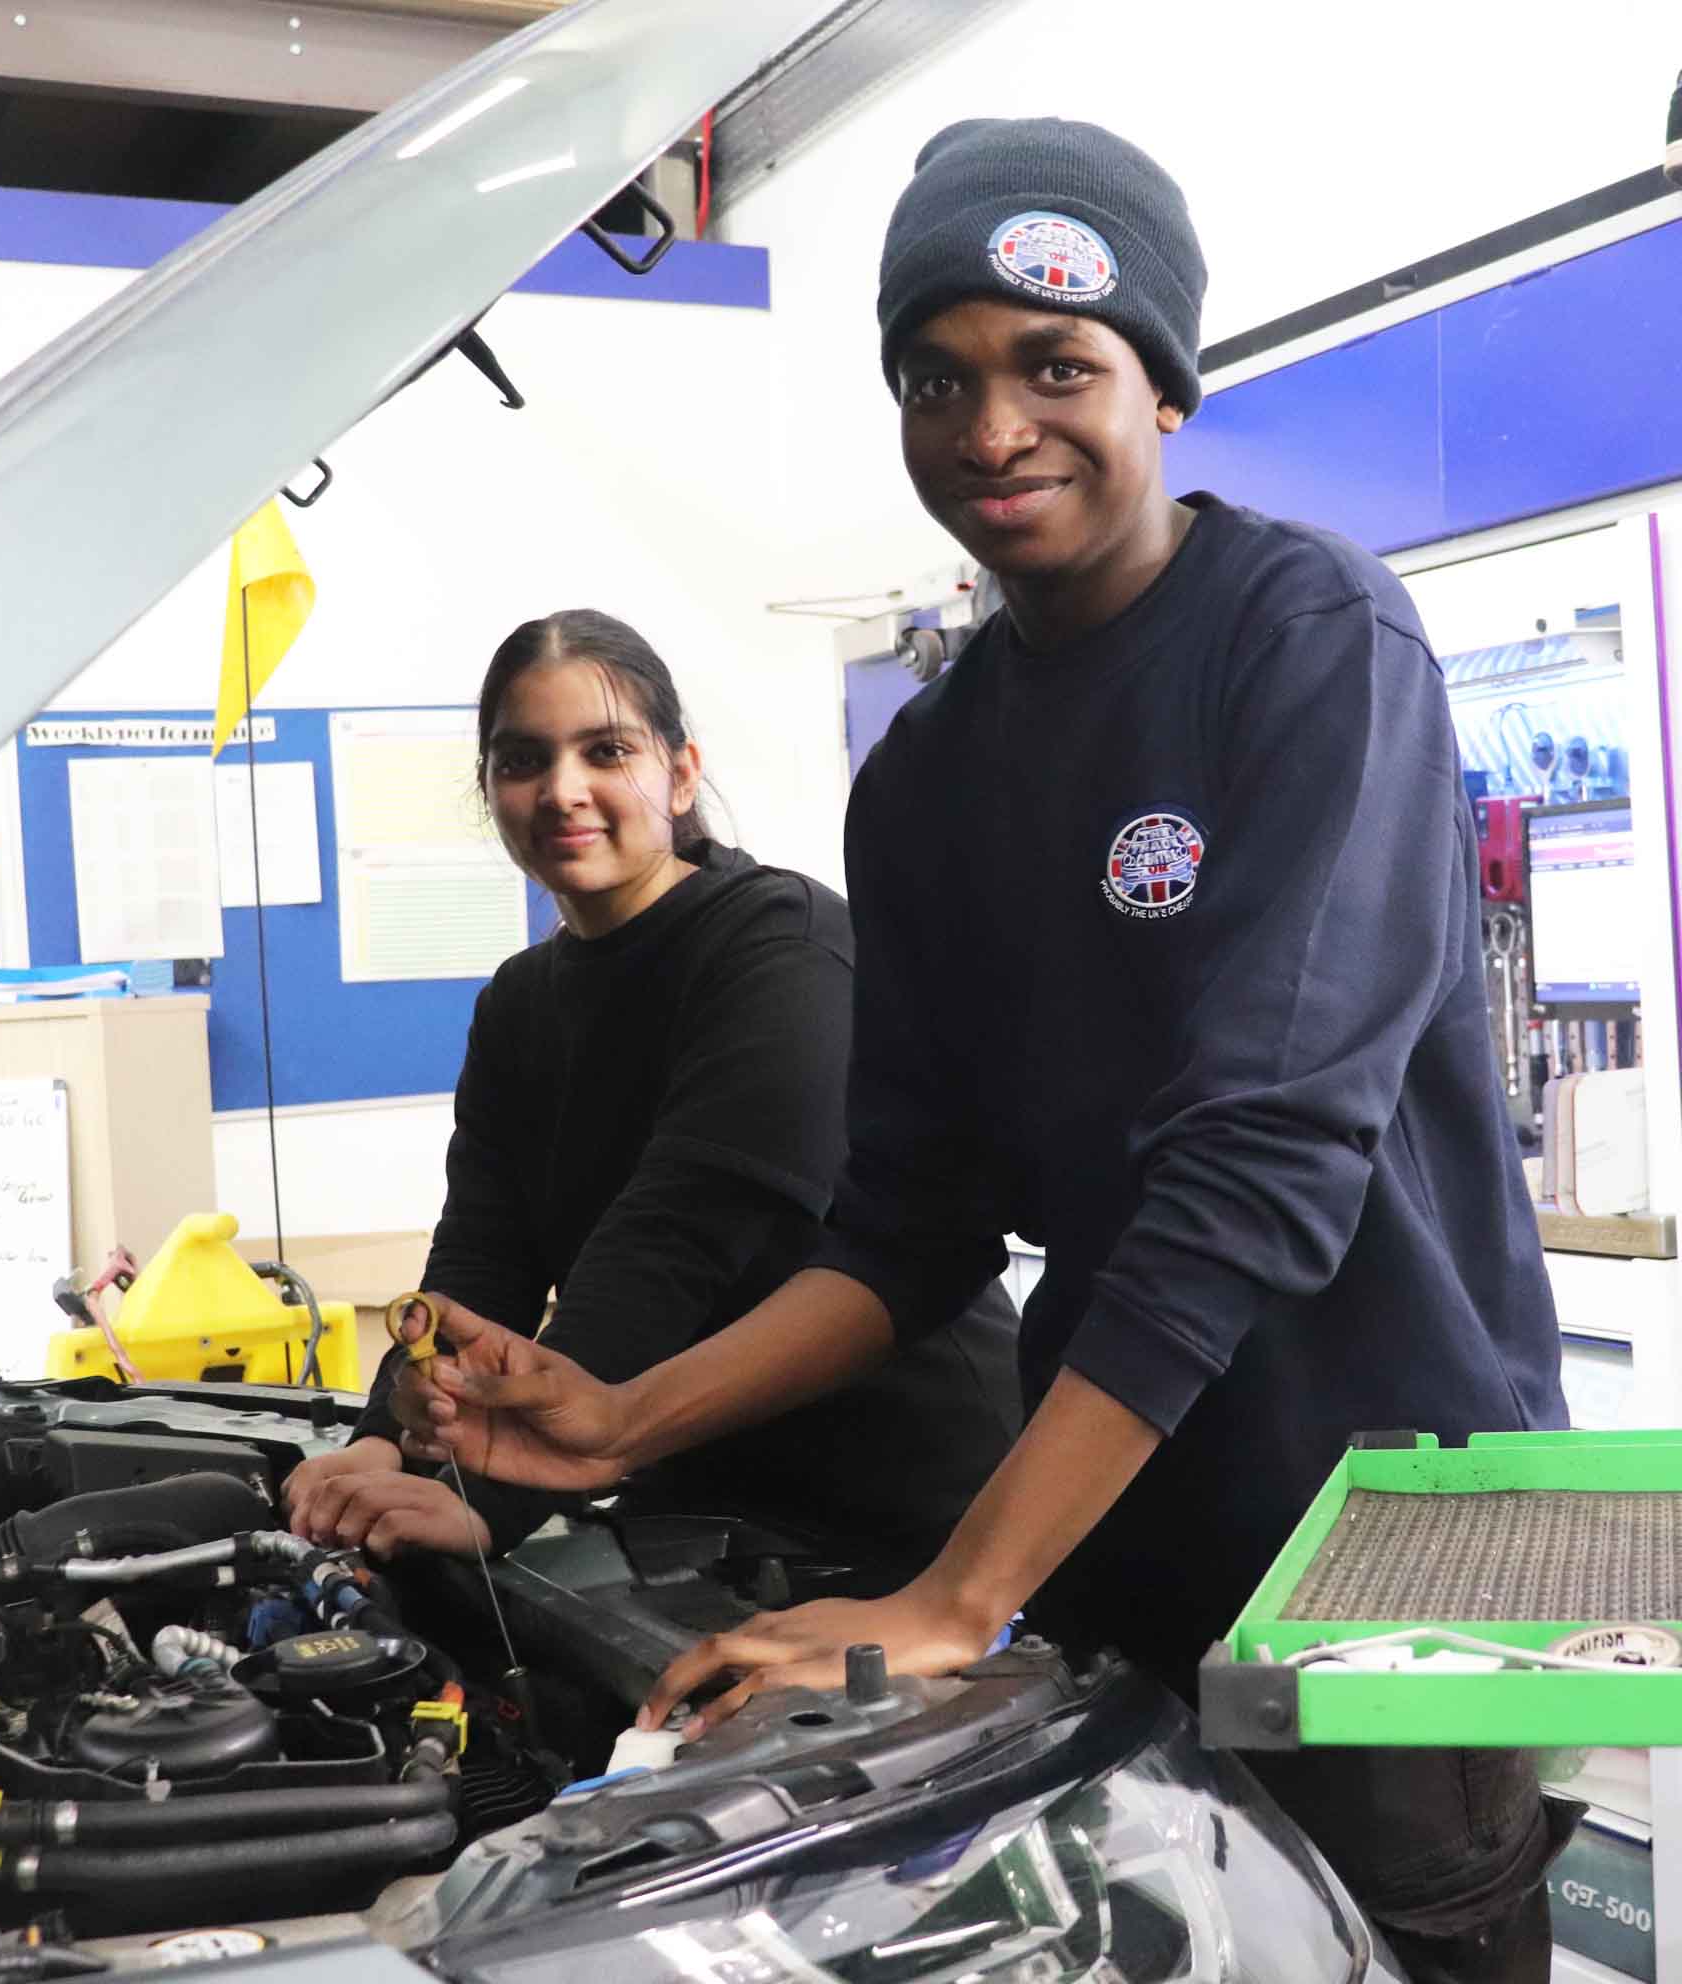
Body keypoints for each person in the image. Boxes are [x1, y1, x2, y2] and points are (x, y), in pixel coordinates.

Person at [382, 125, 1576, 1980]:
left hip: (1410, 1538)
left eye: (1054, 365)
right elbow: (903, 1224)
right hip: (1129, 1535)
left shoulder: (1312, 634)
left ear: (1161, 388)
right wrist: (622, 1416)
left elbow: (1258, 1155)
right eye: (936, 379)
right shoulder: (925, 776)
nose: (991, 424)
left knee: (1399, 1944)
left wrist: (961, 1582)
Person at [283, 607, 1020, 1580]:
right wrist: (388, 1435)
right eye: (522, 760)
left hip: (917, 1510)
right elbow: (480, 1261)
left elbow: (678, 1241)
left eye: (605, 750)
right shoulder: (519, 1003)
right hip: (698, 1505)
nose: (563, 790)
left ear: (678, 773)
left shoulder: (780, 945)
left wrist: (492, 1497)